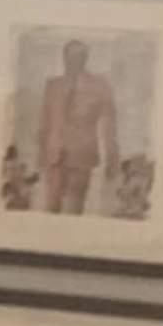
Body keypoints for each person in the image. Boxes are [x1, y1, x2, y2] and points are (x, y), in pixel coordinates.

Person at [29, 37, 123, 218]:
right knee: (51, 210)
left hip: (81, 157)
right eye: (68, 57)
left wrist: (113, 160)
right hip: (54, 157)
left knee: (73, 210)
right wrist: (41, 155)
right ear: (63, 58)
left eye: (78, 57)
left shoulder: (100, 86)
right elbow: (44, 122)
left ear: (85, 59)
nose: (71, 62)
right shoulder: (53, 85)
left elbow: (109, 125)